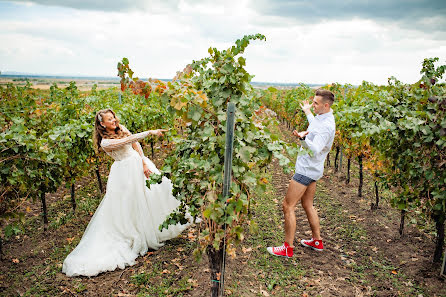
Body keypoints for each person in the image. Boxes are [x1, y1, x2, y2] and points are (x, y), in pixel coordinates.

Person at [62, 109, 192, 277]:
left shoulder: (121, 127)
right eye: (110, 119)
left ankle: (162, 224)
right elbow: (130, 140)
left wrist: (144, 162)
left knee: (155, 193)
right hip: (124, 172)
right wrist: (149, 132)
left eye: (113, 117)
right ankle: (139, 232)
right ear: (102, 124)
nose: (114, 120)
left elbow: (135, 145)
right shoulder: (105, 143)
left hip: (139, 164)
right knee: (132, 203)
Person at [267, 89, 336, 257]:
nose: (313, 105)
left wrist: (303, 139)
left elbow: (316, 148)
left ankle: (287, 248)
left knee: (287, 205)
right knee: (307, 205)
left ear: (326, 105)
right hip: (313, 169)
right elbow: (315, 126)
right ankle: (317, 241)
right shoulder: (324, 118)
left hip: (306, 169)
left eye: (315, 104)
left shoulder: (326, 127)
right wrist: (307, 113)